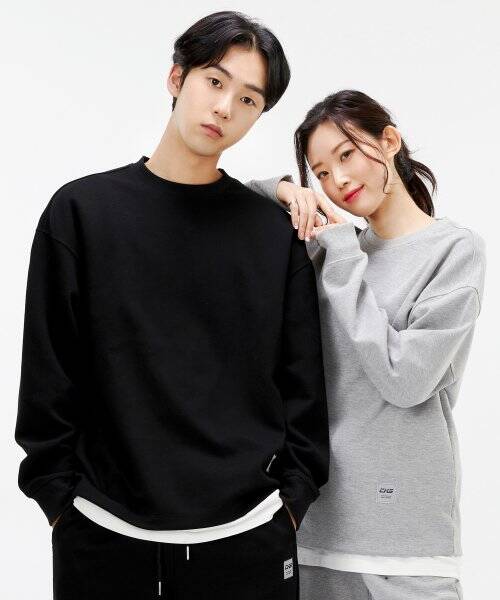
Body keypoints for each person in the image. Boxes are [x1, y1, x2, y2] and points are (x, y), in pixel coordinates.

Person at [14, 11, 330, 599]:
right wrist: (59, 500)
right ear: (176, 78)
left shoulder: (271, 233)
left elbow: (303, 388)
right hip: (102, 535)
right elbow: (48, 373)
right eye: (214, 81)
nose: (224, 108)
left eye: (248, 99)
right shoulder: (81, 213)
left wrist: (291, 500)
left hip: (249, 538)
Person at [246, 89, 486, 600]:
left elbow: (406, 379)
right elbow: (238, 201)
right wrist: (287, 191)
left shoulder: (452, 250)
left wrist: (342, 258)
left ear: (389, 141)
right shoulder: (334, 250)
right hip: (315, 530)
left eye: (347, 154)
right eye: (321, 172)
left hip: (405, 546)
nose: (338, 180)